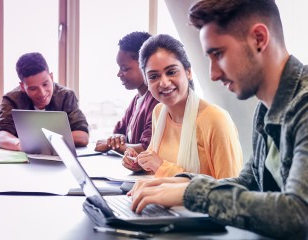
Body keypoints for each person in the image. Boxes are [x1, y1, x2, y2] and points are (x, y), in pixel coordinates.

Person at [128, 1, 308, 239]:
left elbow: (298, 215)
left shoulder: (303, 106)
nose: (213, 73)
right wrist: (180, 184)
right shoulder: (264, 109)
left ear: (259, 39)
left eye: (219, 54)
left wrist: (194, 194)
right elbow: (250, 181)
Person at [123, 34, 243, 178]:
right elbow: (156, 167)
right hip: (160, 198)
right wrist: (139, 163)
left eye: (171, 72)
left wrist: (162, 166)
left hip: (192, 201)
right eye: (154, 76)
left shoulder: (216, 120)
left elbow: (229, 191)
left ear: (188, 72)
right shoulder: (159, 112)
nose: (164, 83)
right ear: (147, 82)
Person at [0, 52, 89, 151]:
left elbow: (82, 136)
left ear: (51, 77)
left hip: (59, 163)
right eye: (33, 88)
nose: (42, 93)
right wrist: (21, 145)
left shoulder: (66, 96)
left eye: (45, 84)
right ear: (23, 87)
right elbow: (1, 135)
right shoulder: (12, 99)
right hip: (25, 161)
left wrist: (40, 142)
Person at [95, 32, 159, 154]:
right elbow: (118, 133)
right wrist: (116, 140)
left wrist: (111, 145)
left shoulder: (157, 101)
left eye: (124, 68)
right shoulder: (136, 100)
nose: (119, 74)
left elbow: (146, 149)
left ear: (145, 65)